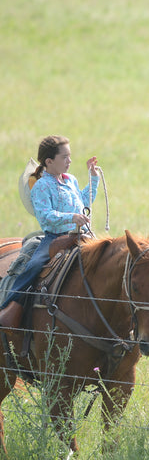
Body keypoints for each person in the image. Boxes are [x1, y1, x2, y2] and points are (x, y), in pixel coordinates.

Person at [0, 136, 100, 334]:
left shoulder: (71, 180)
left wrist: (93, 178)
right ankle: (11, 305)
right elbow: (46, 216)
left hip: (83, 235)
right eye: (65, 157)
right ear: (49, 161)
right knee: (34, 266)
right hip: (55, 238)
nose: (69, 161)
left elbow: (83, 200)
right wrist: (72, 217)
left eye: (69, 156)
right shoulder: (41, 187)